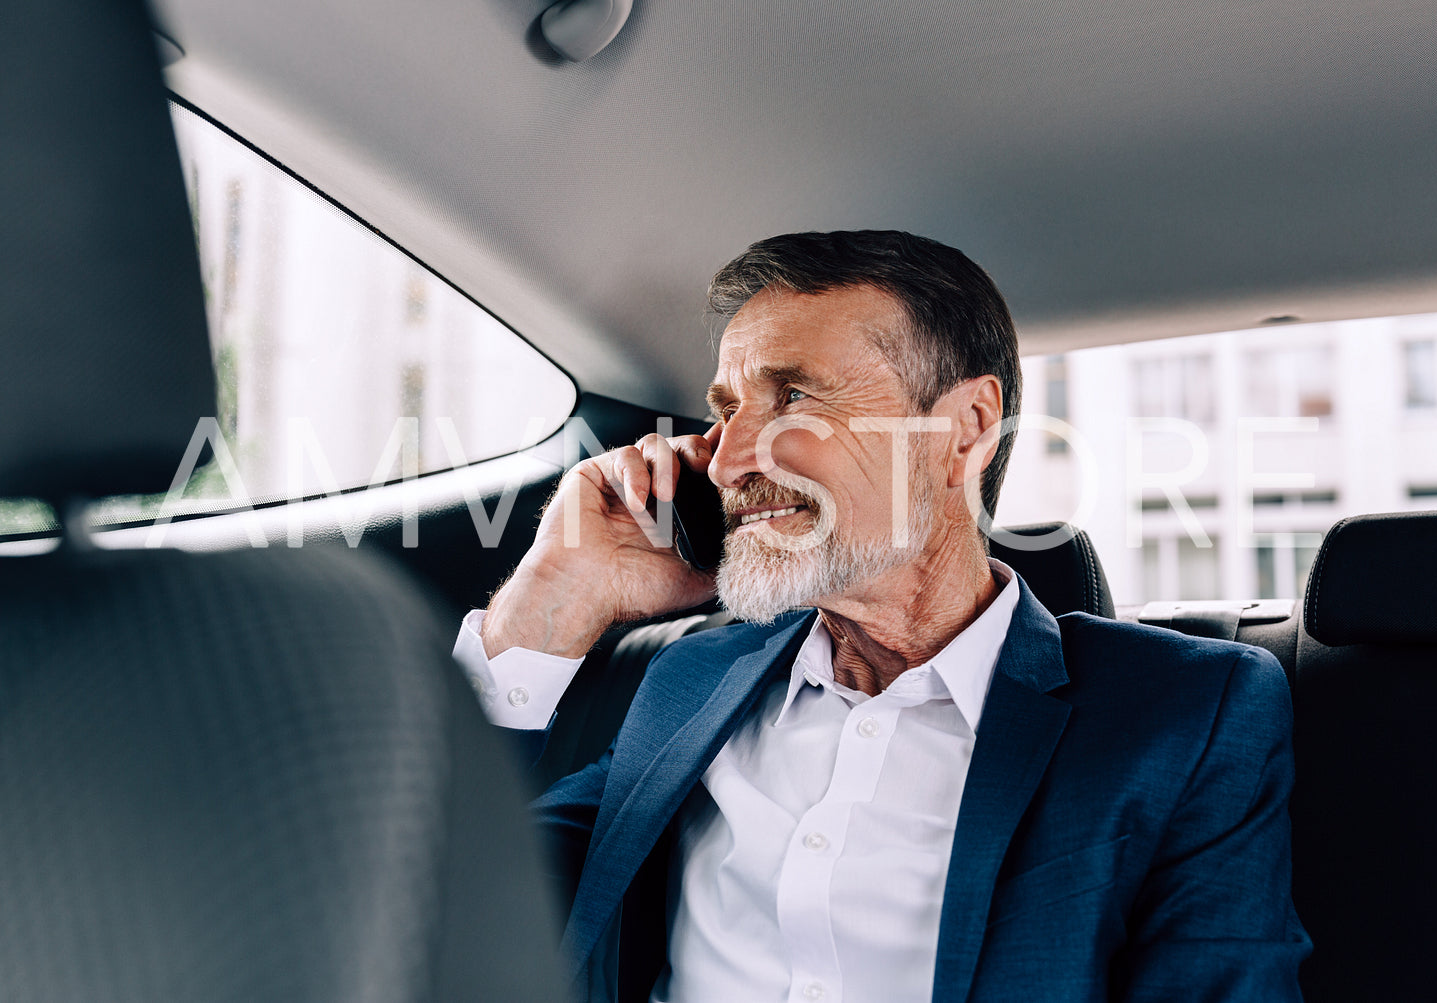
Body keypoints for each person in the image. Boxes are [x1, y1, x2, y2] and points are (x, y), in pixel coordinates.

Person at [453, 230, 1309, 1002]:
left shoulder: (1186, 712)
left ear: (964, 428)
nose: (729, 460)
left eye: (792, 397)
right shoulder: (688, 682)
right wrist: (549, 600)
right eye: (724, 411)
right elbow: (433, 890)